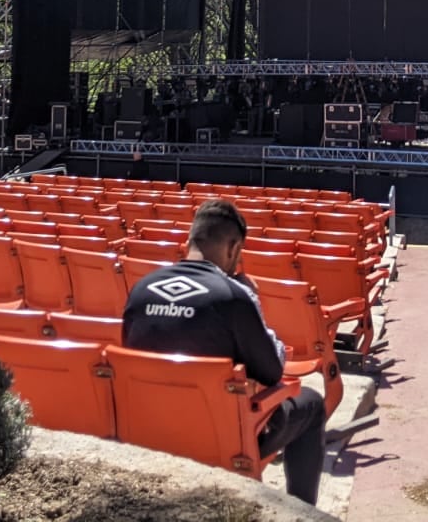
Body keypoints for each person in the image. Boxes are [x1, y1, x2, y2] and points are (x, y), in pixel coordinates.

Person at [122, 199, 326, 505]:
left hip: (151, 429)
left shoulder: (140, 291)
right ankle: (301, 512)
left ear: (188, 241)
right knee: (311, 403)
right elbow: (271, 373)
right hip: (223, 438)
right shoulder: (234, 297)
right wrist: (256, 310)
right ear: (232, 249)